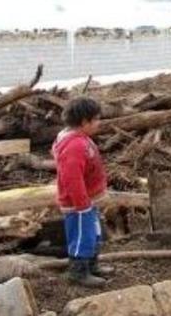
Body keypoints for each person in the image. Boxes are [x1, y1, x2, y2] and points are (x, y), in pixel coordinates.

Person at [53, 97, 112, 287]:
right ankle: (78, 272)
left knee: (93, 233)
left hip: (88, 200)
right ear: (85, 121)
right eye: (96, 119)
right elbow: (72, 178)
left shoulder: (80, 139)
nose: (99, 123)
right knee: (82, 236)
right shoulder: (75, 145)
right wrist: (81, 204)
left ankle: (92, 265)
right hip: (80, 204)